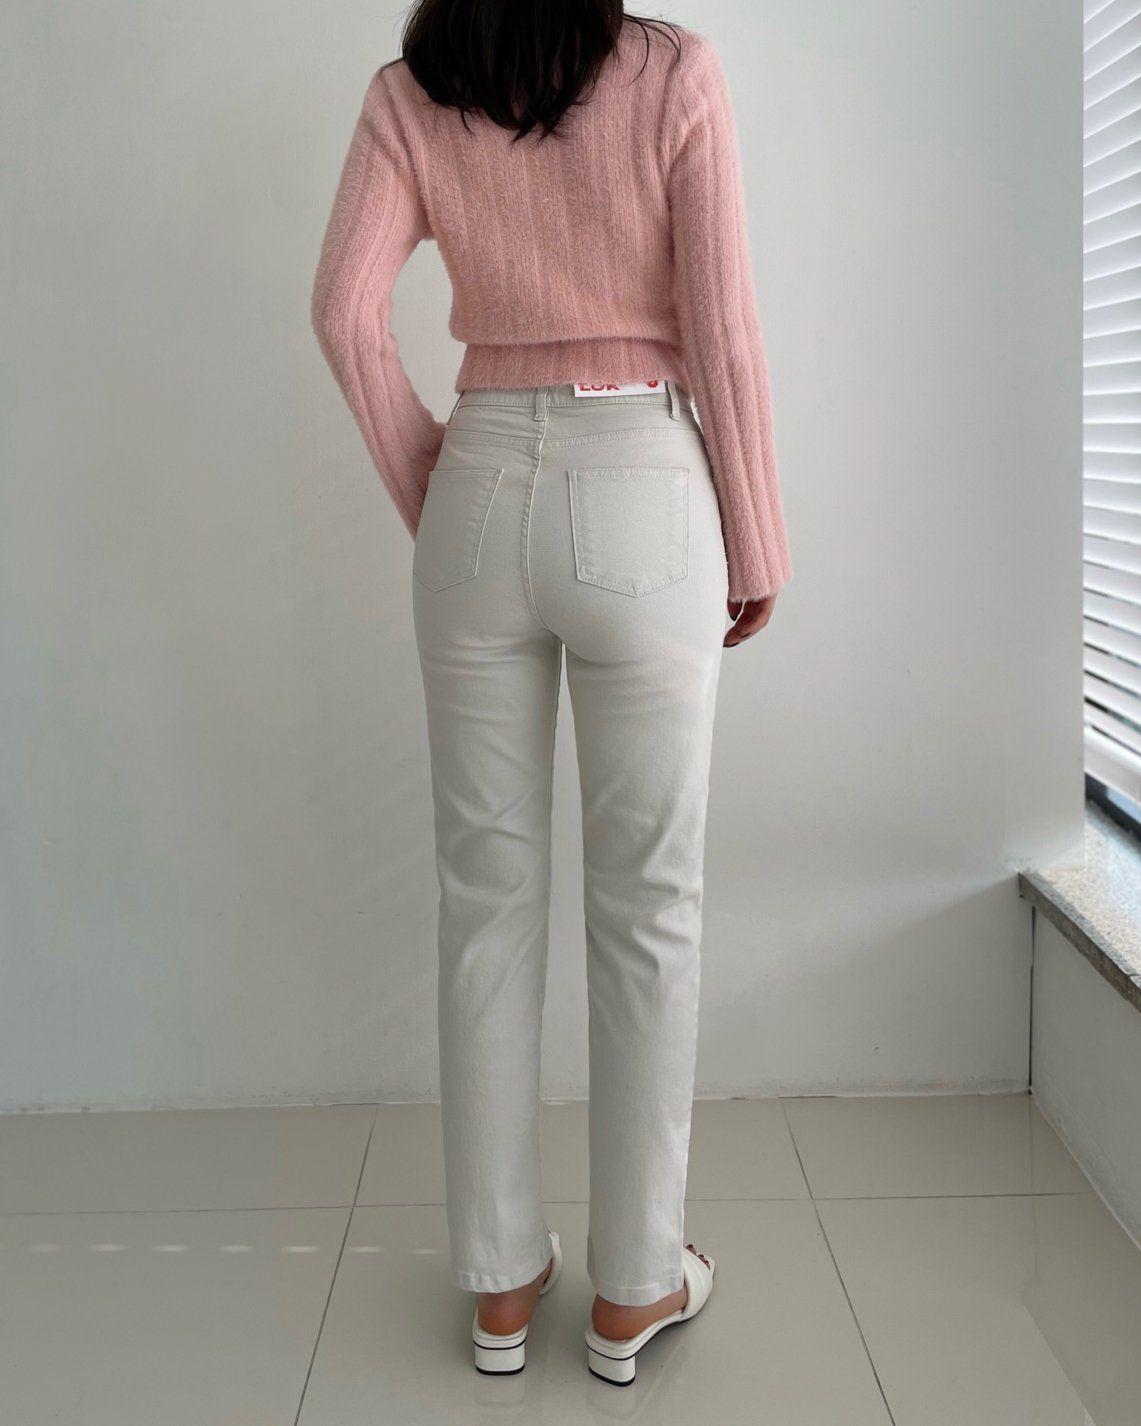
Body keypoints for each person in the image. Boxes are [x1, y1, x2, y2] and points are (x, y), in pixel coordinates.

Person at [310, 0, 792, 1386]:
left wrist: (437, 492)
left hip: (476, 487)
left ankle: (501, 1276)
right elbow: (721, 324)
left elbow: (342, 311)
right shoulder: (671, 72)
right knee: (648, 903)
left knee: (485, 897)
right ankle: (636, 1283)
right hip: (642, 481)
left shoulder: (413, 88)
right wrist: (756, 538)